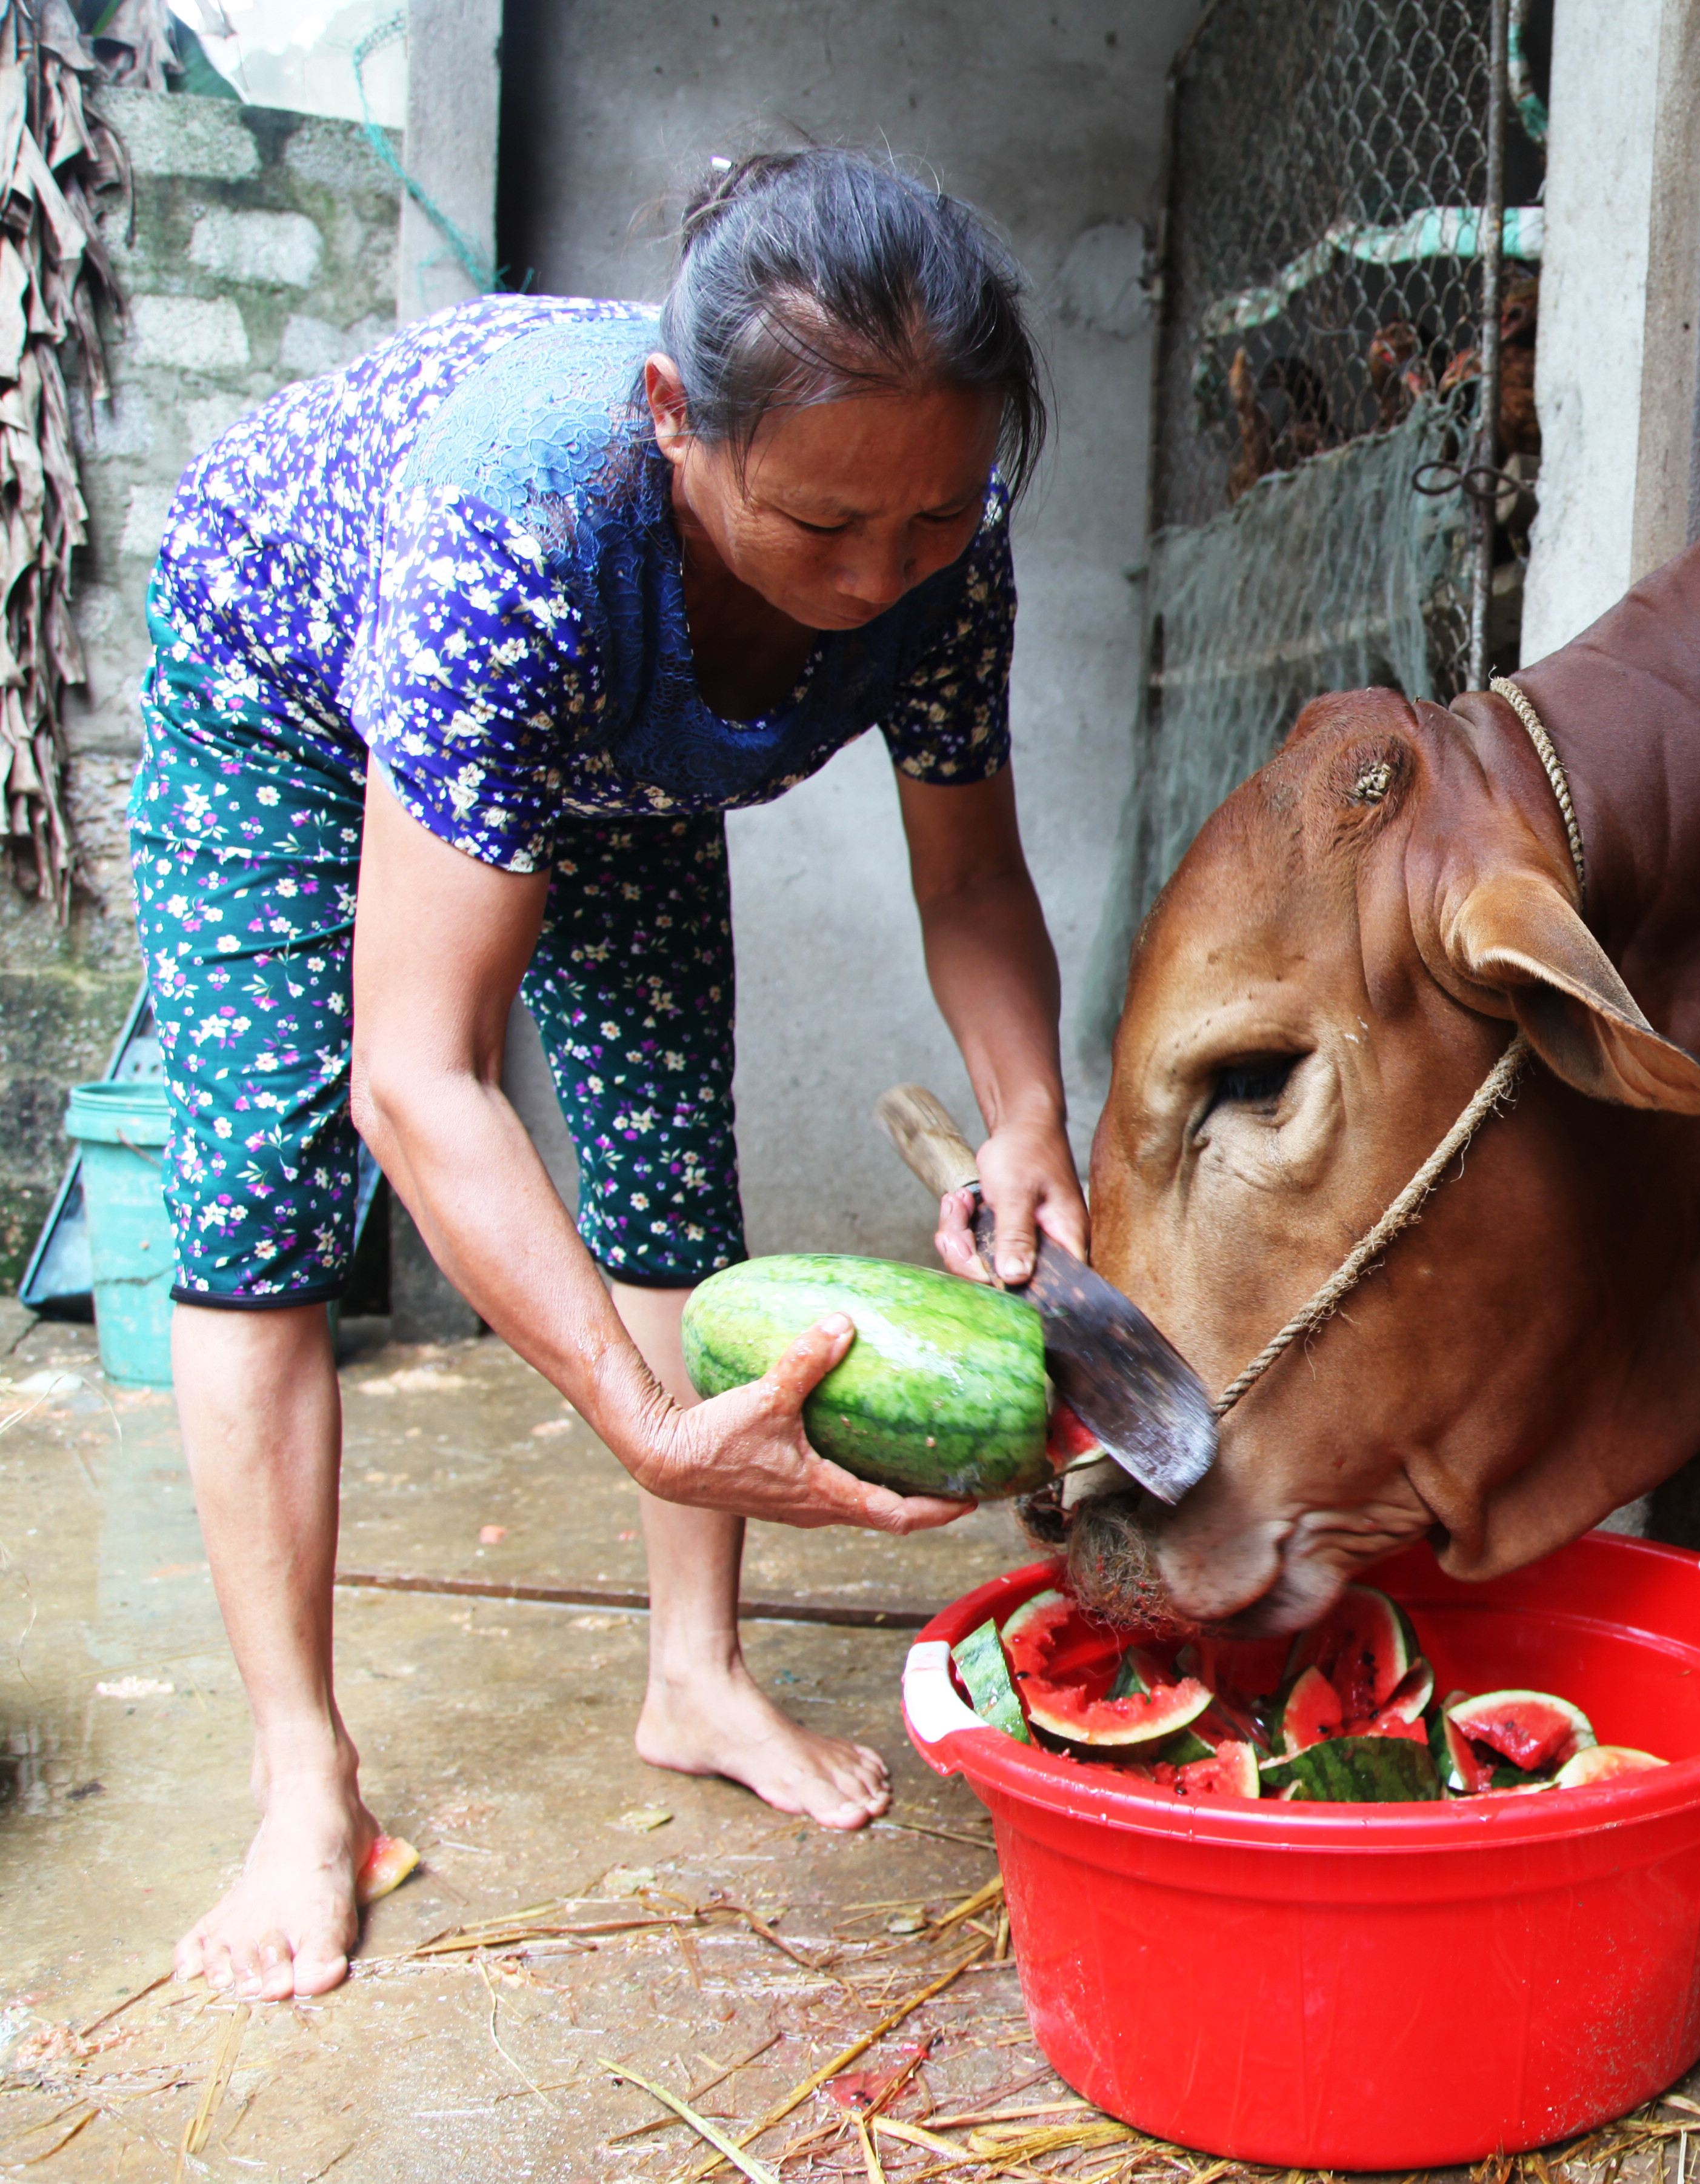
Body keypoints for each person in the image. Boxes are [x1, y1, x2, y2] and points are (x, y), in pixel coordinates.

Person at [129, 148, 1086, 2002]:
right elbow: (422, 1077)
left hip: (619, 735)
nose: (881, 580)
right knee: (261, 1194)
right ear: (675, 421)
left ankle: (694, 1671)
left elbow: (969, 870)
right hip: (297, 686)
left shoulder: (927, 531)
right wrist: (637, 1415)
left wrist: (1031, 1113)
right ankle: (301, 1774)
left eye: (935, 519)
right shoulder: (526, 529)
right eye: (824, 531)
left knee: (670, 1168)